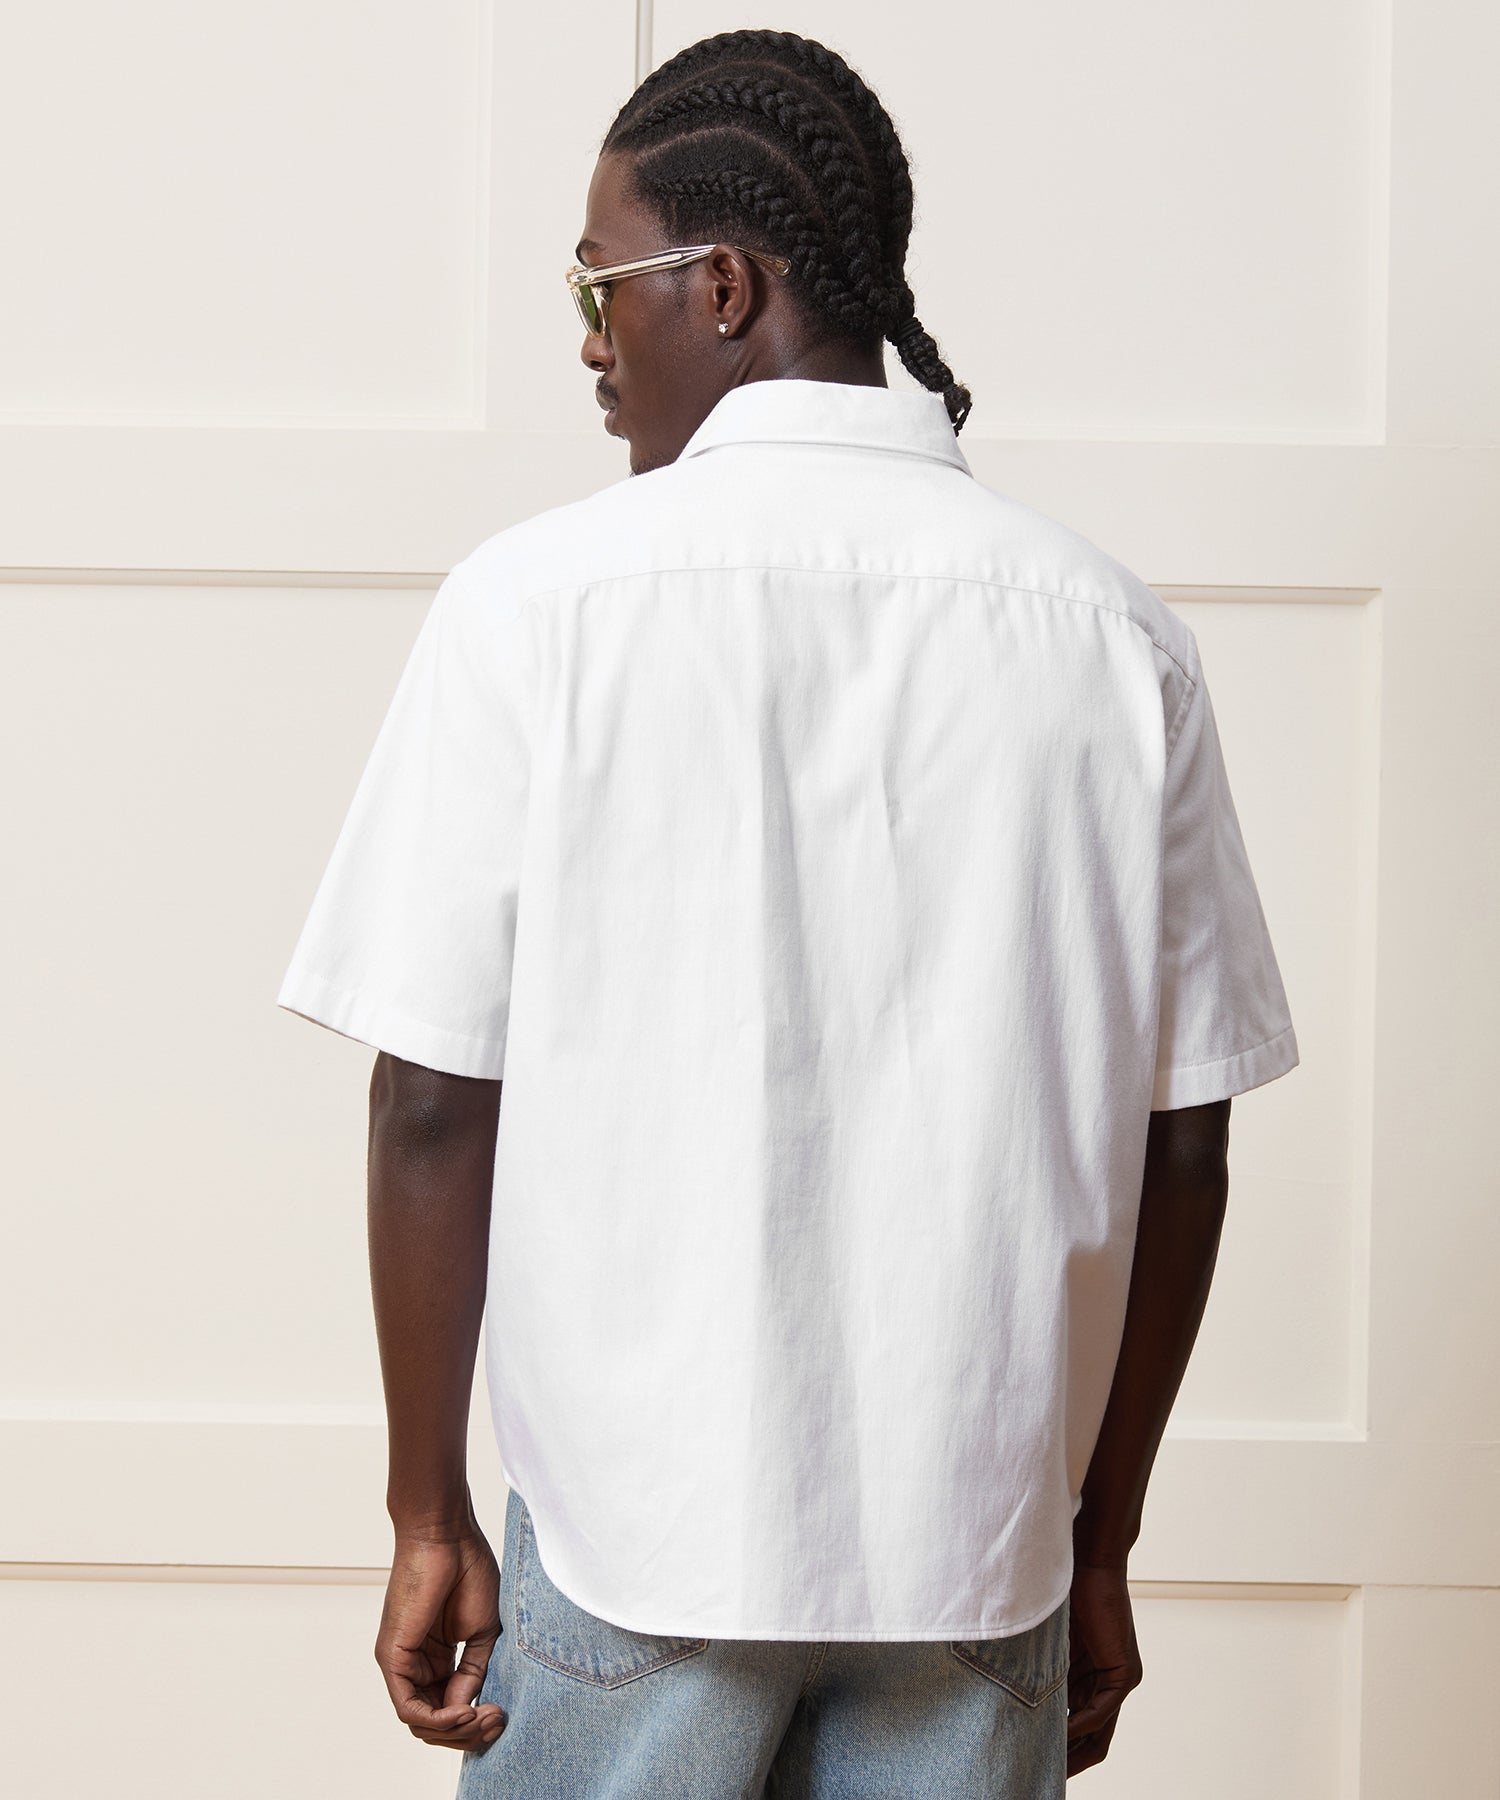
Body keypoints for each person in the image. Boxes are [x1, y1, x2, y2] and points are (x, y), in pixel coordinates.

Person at [276, 27, 1299, 1798]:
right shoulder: (1115, 639)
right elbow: (1187, 1142)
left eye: (601, 290)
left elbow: (433, 1098)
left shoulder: (537, 608)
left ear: (726, 286)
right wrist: (1102, 1535)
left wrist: (426, 1511)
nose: (589, 347)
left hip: (636, 1544)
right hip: (976, 1554)